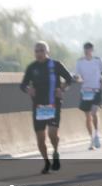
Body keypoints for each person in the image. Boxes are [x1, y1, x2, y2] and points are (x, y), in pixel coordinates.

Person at [20, 41, 73, 174]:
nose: (39, 53)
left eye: (42, 50)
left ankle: (55, 151)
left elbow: (69, 78)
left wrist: (63, 89)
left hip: (53, 104)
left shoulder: (55, 65)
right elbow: (23, 85)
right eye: (37, 51)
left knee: (52, 134)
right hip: (38, 107)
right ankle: (46, 162)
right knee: (40, 138)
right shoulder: (32, 67)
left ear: (47, 51)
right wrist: (28, 89)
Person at [74, 42, 102, 150]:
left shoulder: (98, 60)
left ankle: (97, 134)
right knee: (87, 116)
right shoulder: (80, 62)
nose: (86, 50)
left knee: (94, 112)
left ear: (92, 50)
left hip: (96, 90)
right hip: (85, 91)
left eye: (88, 48)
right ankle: (91, 139)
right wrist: (75, 78)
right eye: (85, 48)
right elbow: (77, 74)